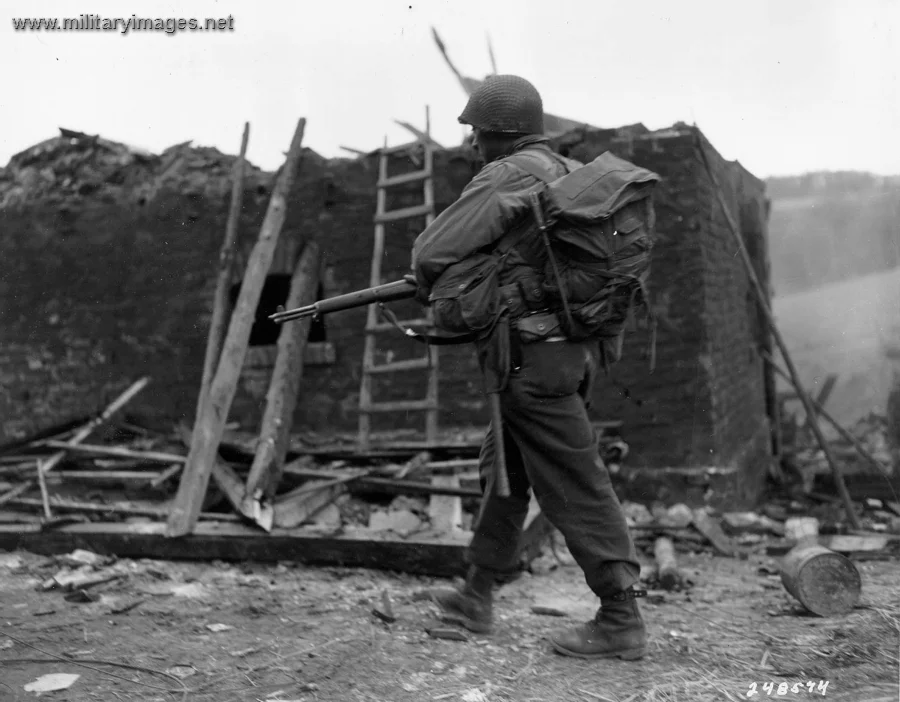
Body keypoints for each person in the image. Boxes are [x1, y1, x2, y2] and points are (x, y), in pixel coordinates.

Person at [410, 75, 648, 661]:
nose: (471, 146)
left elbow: (430, 250)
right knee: (505, 469)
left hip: (531, 359)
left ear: (501, 134)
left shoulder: (508, 175)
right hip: (568, 352)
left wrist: (434, 281)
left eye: (477, 134)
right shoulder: (568, 172)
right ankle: (478, 591)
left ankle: (621, 617)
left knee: (574, 479)